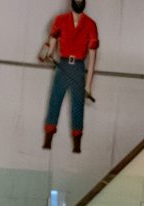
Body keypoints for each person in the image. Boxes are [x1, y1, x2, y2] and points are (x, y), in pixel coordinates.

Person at [39, 0, 99, 153]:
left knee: (78, 106)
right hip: (63, 64)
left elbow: (92, 60)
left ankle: (77, 144)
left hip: (79, 67)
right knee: (55, 101)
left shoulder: (91, 25)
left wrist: (88, 85)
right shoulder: (60, 20)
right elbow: (51, 45)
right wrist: (48, 53)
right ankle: (48, 140)